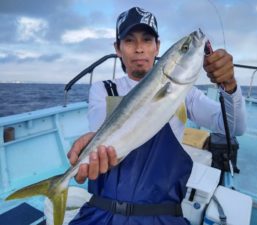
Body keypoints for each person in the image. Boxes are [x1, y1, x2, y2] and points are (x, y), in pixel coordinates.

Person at [68, 6, 246, 225]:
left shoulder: (185, 93)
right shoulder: (103, 89)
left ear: (157, 46)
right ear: (118, 48)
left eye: (147, 40)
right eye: (130, 41)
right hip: (102, 212)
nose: (139, 49)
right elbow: (100, 133)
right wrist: (91, 145)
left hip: (162, 215)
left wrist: (229, 86)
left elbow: (233, 126)